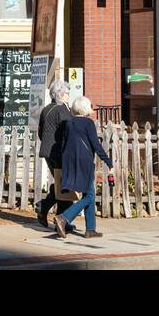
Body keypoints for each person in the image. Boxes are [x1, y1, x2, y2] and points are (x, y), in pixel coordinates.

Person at [54, 97, 114, 240]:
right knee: (90, 196)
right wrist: (109, 162)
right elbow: (96, 145)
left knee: (89, 194)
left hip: (69, 161)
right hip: (84, 162)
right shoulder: (88, 123)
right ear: (86, 108)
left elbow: (63, 143)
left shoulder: (68, 123)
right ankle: (64, 218)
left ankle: (90, 229)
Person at [36, 79, 74, 228]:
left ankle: (45, 208)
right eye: (67, 93)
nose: (69, 96)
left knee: (61, 184)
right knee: (66, 186)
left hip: (47, 151)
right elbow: (67, 133)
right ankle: (61, 219)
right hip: (58, 152)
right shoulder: (62, 110)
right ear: (60, 94)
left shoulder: (46, 109)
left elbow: (41, 132)